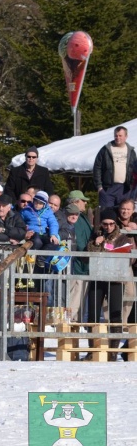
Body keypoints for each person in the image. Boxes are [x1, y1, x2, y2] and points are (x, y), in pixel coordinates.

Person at [86, 208, 135, 360]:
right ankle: (93, 349)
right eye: (105, 224)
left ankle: (113, 351)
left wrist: (113, 249)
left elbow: (130, 257)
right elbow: (87, 255)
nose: (108, 227)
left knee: (115, 314)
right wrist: (95, 243)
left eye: (111, 224)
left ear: (115, 224)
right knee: (93, 314)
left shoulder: (123, 238)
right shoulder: (96, 236)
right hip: (98, 277)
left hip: (115, 279)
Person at [93, 126, 137, 209]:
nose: (118, 138)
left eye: (120, 135)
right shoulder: (105, 149)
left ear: (126, 136)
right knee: (107, 214)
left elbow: (135, 170)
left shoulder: (131, 151)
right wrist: (99, 187)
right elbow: (97, 168)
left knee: (124, 213)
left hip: (125, 188)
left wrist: (133, 188)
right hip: (108, 188)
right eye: (116, 135)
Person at [66, 190, 93, 322]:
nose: (86, 202)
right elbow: (79, 241)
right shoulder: (73, 217)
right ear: (76, 201)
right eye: (83, 200)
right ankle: (68, 325)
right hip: (77, 265)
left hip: (84, 264)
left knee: (80, 298)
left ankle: (76, 325)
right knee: (75, 297)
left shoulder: (81, 217)